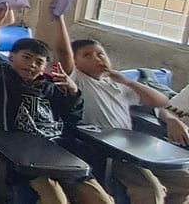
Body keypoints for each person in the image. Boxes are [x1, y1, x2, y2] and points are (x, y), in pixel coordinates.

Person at [0, 6, 112, 204]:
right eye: (26, 58)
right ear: (11, 57)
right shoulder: (2, 79)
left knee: (101, 200)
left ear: (44, 67)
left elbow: (72, 120)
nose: (31, 65)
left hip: (59, 152)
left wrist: (73, 94)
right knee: (56, 200)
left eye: (39, 62)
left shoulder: (51, 87)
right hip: (25, 156)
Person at [56, 16, 189, 204]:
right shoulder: (78, 80)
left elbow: (160, 101)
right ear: (75, 63)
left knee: (185, 182)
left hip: (131, 148)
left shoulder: (118, 85)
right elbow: (63, 52)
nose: (97, 58)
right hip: (106, 151)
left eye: (101, 54)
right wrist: (60, 18)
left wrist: (128, 81)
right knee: (151, 191)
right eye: (87, 55)